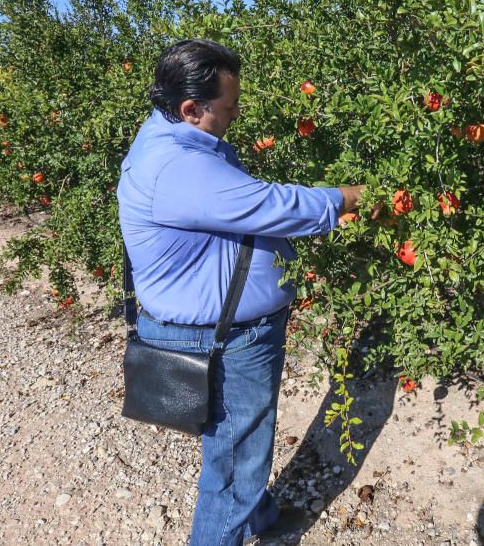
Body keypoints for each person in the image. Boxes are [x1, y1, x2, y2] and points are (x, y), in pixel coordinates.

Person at [117, 38, 364, 545]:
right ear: (191, 108)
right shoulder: (176, 167)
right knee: (235, 458)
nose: (235, 115)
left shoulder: (170, 139)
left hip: (218, 330)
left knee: (239, 443)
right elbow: (274, 205)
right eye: (228, 107)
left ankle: (261, 517)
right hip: (224, 339)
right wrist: (357, 198)